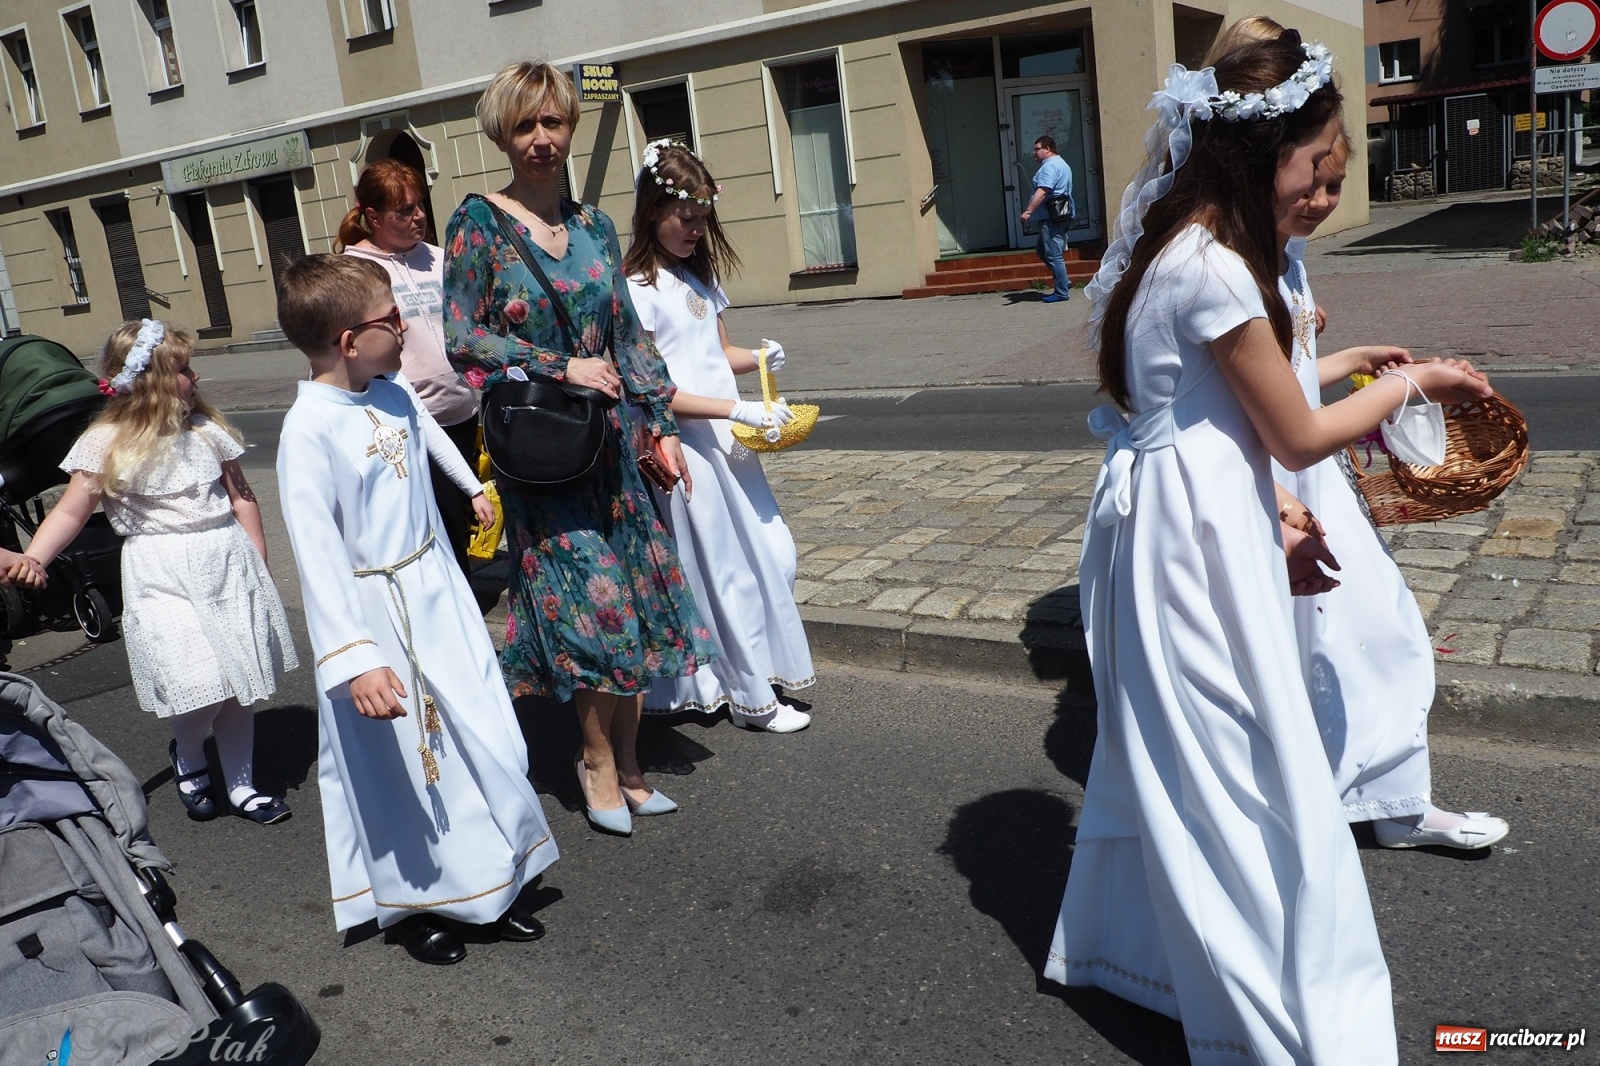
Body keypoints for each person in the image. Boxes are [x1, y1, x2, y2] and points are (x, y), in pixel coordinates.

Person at [1041, 26, 1495, 1062]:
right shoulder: (1213, 267)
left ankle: (1158, 960)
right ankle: (1270, 1017)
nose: (1327, 186)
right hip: (1191, 540)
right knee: (1244, 772)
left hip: (1188, 519)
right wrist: (1415, 383)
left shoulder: (1190, 241)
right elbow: (1293, 433)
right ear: (1259, 153)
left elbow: (1208, 416)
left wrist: (1272, 508)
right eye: (1318, 164)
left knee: (1198, 762)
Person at [443, 61, 716, 837]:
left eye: (553, 122)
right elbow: (460, 336)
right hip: (544, 453)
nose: (541, 139)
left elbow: (627, 333)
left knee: (635, 602)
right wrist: (558, 364)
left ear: (570, 127)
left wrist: (660, 422)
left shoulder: (594, 225)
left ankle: (629, 765)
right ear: (502, 134)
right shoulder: (478, 223)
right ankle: (593, 761)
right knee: (596, 608)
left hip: (613, 448)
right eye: (525, 125)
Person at [274, 253, 558, 966]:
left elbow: (426, 455)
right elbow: (317, 555)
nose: (406, 327)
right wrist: (356, 660)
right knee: (405, 761)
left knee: (478, 734)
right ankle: (413, 904)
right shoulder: (308, 430)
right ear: (348, 341)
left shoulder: (393, 392)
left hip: (435, 591)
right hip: (375, 620)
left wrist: (470, 494)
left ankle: (491, 880)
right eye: (392, 318)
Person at [1274, 131, 1508, 849]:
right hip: (1277, 473)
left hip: (1302, 468)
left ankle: (1389, 798)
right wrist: (1409, 385)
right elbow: (1273, 412)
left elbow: (1286, 378)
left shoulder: (1284, 255)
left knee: (1369, 629)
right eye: (1310, 183)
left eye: (1335, 186)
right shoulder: (1234, 267)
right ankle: (1325, 796)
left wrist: (1352, 356)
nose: (1321, 202)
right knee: (1342, 633)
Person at [19, 319, 298, 824]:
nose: (196, 376)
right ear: (151, 382)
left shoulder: (206, 430)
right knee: (196, 679)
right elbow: (71, 513)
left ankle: (242, 785)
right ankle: (189, 754)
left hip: (226, 562)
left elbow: (242, 499)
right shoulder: (106, 442)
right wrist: (35, 557)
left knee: (238, 680)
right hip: (160, 571)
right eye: (184, 369)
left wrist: (258, 564)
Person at [622, 140, 815, 734]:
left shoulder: (696, 276)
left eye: (703, 218)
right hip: (686, 446)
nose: (696, 229)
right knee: (724, 572)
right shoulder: (636, 288)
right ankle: (751, 699)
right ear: (652, 210)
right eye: (686, 217)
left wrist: (757, 356)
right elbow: (654, 386)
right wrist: (738, 408)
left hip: (729, 445)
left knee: (774, 555)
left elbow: (716, 350)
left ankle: (750, 674)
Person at [339, 159, 481, 577]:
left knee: (458, 521)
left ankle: (457, 593)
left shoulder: (440, 258)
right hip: (403, 419)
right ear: (373, 217)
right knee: (428, 526)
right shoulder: (354, 270)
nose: (419, 216)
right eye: (404, 211)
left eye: (420, 205)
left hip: (461, 412)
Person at [1019, 136, 1074, 304]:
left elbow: (1043, 190)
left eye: (1037, 149)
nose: (1034, 153)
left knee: (1053, 254)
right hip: (1058, 214)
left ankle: (1062, 292)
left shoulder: (1049, 166)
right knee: (1042, 251)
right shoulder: (1061, 163)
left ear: (1047, 149)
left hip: (1050, 217)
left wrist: (1028, 211)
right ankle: (1063, 280)